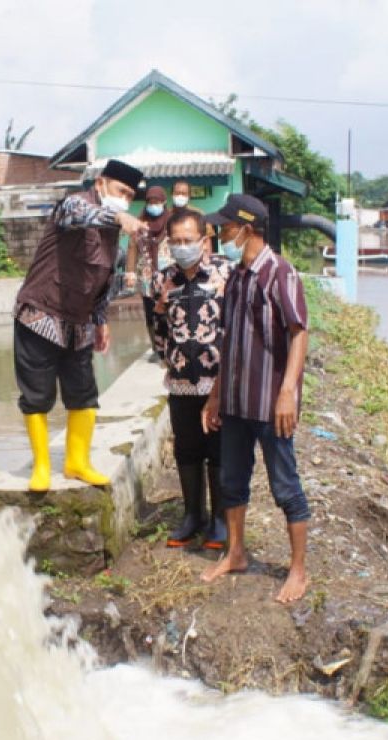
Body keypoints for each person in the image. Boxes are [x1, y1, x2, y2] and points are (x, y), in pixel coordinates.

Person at [199, 194, 312, 604]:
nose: (220, 233)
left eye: (226, 227)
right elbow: (229, 340)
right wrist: (215, 395)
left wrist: (287, 394)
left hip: (270, 403)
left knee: (286, 485)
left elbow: (299, 332)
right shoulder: (237, 277)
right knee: (232, 481)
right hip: (235, 401)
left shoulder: (279, 274)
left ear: (246, 229)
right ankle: (237, 553)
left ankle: (298, 571)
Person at [15, 159, 147, 492]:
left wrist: (100, 320)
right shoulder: (75, 205)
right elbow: (79, 216)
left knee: (84, 394)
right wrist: (118, 215)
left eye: (131, 196)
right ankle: (42, 467)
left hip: (80, 323)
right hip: (40, 316)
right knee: (37, 394)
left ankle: (77, 463)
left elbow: (103, 279)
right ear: (101, 184)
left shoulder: (114, 233)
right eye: (121, 191)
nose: (125, 200)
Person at [148, 207, 231, 549]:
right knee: (187, 450)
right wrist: (169, 354)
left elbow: (235, 327)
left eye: (188, 240)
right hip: (181, 381)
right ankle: (191, 515)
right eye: (176, 241)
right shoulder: (161, 280)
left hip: (218, 381)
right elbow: (156, 333)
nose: (182, 246)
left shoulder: (225, 274)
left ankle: (221, 520)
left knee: (219, 451)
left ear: (204, 240)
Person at [125, 187, 175, 337]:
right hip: (147, 277)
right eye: (150, 202)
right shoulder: (139, 223)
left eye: (157, 202)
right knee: (150, 313)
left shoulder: (172, 221)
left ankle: (171, 340)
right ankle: (155, 345)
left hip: (169, 276)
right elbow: (132, 248)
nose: (153, 205)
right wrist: (130, 272)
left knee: (171, 309)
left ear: (164, 202)